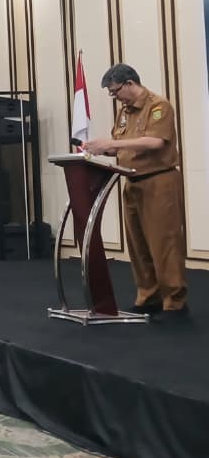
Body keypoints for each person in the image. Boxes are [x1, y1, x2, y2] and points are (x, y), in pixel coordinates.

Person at [83, 62, 188, 318]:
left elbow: (154, 142)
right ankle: (148, 297)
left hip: (158, 182)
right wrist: (100, 148)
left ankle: (174, 302)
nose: (115, 97)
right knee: (138, 244)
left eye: (115, 91)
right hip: (131, 182)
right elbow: (121, 145)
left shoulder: (158, 106)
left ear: (130, 83)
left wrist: (113, 144)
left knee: (164, 243)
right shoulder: (124, 112)